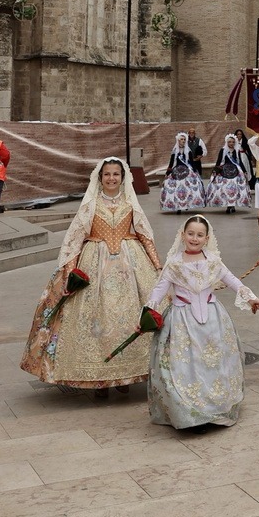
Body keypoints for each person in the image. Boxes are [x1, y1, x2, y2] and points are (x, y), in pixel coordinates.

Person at [21, 157, 161, 394]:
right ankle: (100, 380)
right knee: (96, 321)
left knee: (127, 319)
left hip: (130, 264)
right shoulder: (90, 204)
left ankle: (124, 377)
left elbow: (144, 234)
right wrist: (70, 271)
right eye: (107, 174)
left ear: (123, 178)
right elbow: (75, 238)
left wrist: (157, 266)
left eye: (116, 174)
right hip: (95, 263)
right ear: (100, 178)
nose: (111, 178)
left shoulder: (130, 203)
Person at [146, 215, 259, 428]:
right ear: (183, 235)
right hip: (182, 320)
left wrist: (251, 298)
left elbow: (232, 280)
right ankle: (189, 412)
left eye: (200, 235)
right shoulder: (174, 264)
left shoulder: (213, 261)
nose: (195, 238)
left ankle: (214, 408)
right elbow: (159, 290)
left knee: (214, 362)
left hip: (212, 319)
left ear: (207, 238)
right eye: (191, 234)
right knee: (185, 365)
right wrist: (147, 313)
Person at [160, 131, 206, 213]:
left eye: (184, 139)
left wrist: (195, 172)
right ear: (178, 140)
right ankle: (178, 205)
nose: (183, 141)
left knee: (189, 188)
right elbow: (171, 163)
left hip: (187, 171)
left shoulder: (188, 151)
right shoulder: (175, 151)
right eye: (181, 139)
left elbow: (192, 162)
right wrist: (167, 173)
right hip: (176, 171)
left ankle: (186, 204)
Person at [207, 133, 251, 214]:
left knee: (234, 189)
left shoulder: (237, 151)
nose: (231, 143)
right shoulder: (223, 150)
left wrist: (244, 171)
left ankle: (233, 205)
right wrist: (215, 171)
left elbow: (240, 162)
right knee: (226, 189)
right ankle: (228, 205)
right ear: (226, 142)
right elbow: (218, 161)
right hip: (225, 171)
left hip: (235, 171)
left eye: (233, 142)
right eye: (229, 142)